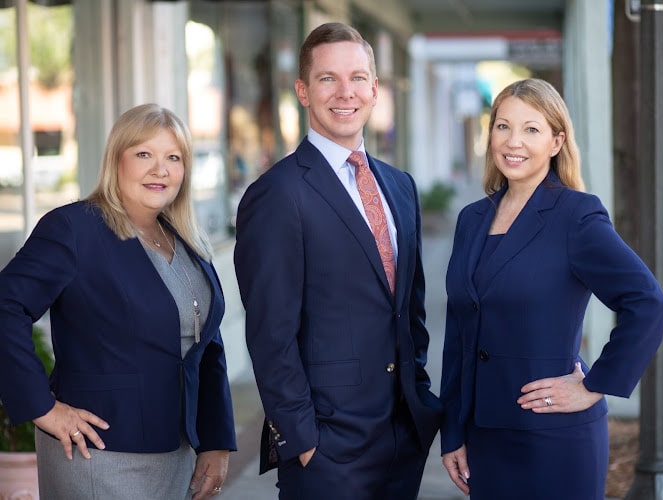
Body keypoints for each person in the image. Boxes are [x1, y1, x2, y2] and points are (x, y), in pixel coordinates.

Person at [233, 22, 443, 499]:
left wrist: (419, 393)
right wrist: (305, 442)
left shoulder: (400, 186)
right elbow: (270, 334)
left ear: (374, 89)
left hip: (403, 439)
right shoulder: (277, 194)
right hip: (327, 450)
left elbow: (409, 310)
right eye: (328, 78)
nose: (345, 92)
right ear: (303, 91)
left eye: (357, 78)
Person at [439, 78, 663, 499]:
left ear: (556, 141)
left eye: (531, 129)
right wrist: (452, 431)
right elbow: (459, 332)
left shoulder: (576, 216)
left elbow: (646, 302)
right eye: (503, 126)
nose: (514, 141)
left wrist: (594, 385)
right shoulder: (472, 219)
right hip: (484, 439)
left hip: (554, 438)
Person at [0, 103, 237, 499]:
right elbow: (6, 307)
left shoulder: (186, 240)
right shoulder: (74, 229)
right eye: (144, 154)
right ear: (116, 160)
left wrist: (216, 441)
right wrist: (42, 408)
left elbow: (206, 343)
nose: (160, 170)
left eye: (173, 157)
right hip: (99, 454)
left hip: (178, 453)